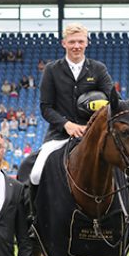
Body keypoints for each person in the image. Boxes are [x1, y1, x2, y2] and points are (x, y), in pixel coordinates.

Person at [29, 23, 113, 185]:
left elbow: (113, 100)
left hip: (94, 135)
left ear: (87, 43)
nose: (76, 46)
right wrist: (67, 125)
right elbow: (45, 107)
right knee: (36, 174)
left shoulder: (98, 69)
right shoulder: (51, 70)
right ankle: (33, 211)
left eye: (80, 42)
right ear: (64, 43)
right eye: (72, 42)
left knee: (122, 171)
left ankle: (124, 210)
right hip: (59, 135)